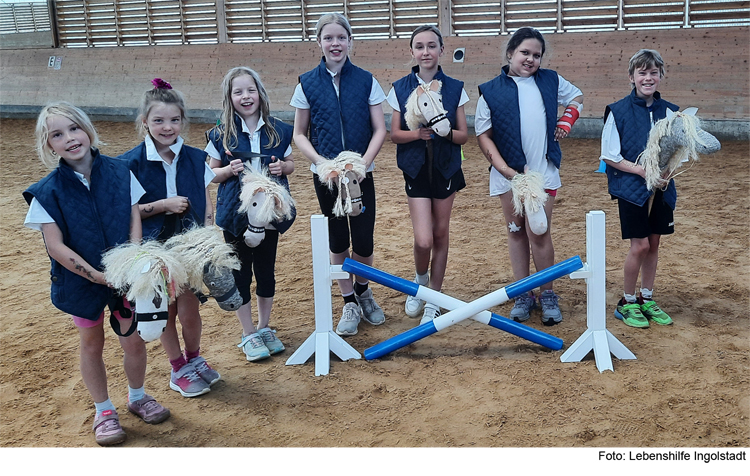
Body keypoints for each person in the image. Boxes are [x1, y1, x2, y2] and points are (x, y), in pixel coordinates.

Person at [23, 102, 170, 446]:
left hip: (125, 281)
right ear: (49, 146)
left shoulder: (121, 171)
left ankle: (137, 397)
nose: (70, 138)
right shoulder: (46, 192)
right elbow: (55, 245)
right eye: (57, 135)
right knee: (92, 343)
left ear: (87, 129)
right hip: (81, 284)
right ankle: (104, 409)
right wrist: (95, 276)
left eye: (74, 128)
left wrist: (130, 260)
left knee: (133, 340)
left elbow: (134, 217)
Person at [476, 26, 583, 326]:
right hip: (508, 177)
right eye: (524, 52)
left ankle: (547, 293)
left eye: (537, 55)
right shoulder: (490, 90)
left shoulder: (550, 80)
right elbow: (484, 135)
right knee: (515, 230)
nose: (530, 59)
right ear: (510, 52)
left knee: (539, 230)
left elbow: (576, 97)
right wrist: (507, 171)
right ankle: (523, 293)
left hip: (543, 173)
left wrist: (568, 119)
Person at [119, 79, 219, 397]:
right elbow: (128, 211)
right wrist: (162, 205)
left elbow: (206, 201)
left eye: (174, 120)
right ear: (145, 122)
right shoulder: (129, 164)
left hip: (189, 248)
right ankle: (177, 367)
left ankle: (194, 357)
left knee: (191, 310)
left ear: (182, 121)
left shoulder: (195, 157)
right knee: (166, 312)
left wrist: (207, 235)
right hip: (155, 251)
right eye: (159, 120)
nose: (167, 127)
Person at [291, 12, 388, 336]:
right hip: (327, 177)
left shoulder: (366, 79)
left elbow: (379, 129)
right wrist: (321, 163)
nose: (335, 43)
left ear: (350, 41)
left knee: (363, 238)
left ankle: (363, 290)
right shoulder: (306, 82)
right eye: (328, 38)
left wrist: (363, 165)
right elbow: (300, 134)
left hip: (361, 174)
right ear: (319, 42)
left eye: (341, 37)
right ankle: (348, 299)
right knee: (337, 238)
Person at [206, 67, 295, 361]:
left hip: (269, 215)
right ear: (230, 98)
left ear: (260, 93)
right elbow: (210, 174)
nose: (246, 96)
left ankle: (264, 326)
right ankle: (248, 333)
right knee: (241, 274)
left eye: (250, 90)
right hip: (235, 215)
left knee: (266, 273)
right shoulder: (220, 134)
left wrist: (284, 168)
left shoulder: (279, 129)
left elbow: (291, 163)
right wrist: (226, 171)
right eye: (238, 92)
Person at [386, 25, 469, 325]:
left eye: (431, 46)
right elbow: (394, 134)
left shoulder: (456, 87)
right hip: (416, 169)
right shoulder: (399, 87)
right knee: (423, 240)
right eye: (419, 46)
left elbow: (462, 136)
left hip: (446, 168)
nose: (426, 51)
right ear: (412, 52)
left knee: (440, 233)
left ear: (441, 50)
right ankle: (420, 281)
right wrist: (418, 134)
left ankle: (435, 296)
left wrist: (444, 132)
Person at [600, 49, 677, 328]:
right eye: (642, 72)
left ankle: (647, 298)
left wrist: (665, 174)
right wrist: (643, 171)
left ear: (660, 76)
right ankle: (628, 301)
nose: (648, 77)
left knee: (654, 243)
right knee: (640, 245)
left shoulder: (671, 111)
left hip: (662, 188)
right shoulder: (618, 111)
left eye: (653, 72)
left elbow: (676, 151)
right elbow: (610, 155)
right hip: (631, 188)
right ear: (632, 77)